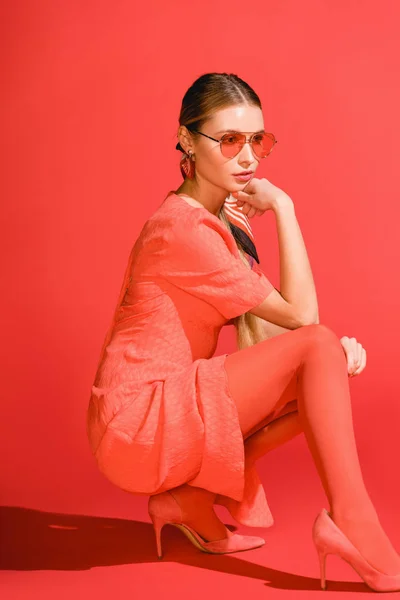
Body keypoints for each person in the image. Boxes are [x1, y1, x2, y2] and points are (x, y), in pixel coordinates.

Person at [86, 72, 400, 591]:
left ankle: (188, 501)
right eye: (229, 140)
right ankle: (353, 521)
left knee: (316, 373)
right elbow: (303, 320)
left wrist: (315, 361)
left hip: (160, 416)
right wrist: (285, 207)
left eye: (258, 140)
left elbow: (269, 346)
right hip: (136, 424)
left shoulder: (218, 223)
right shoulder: (184, 230)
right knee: (317, 349)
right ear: (187, 139)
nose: (249, 156)